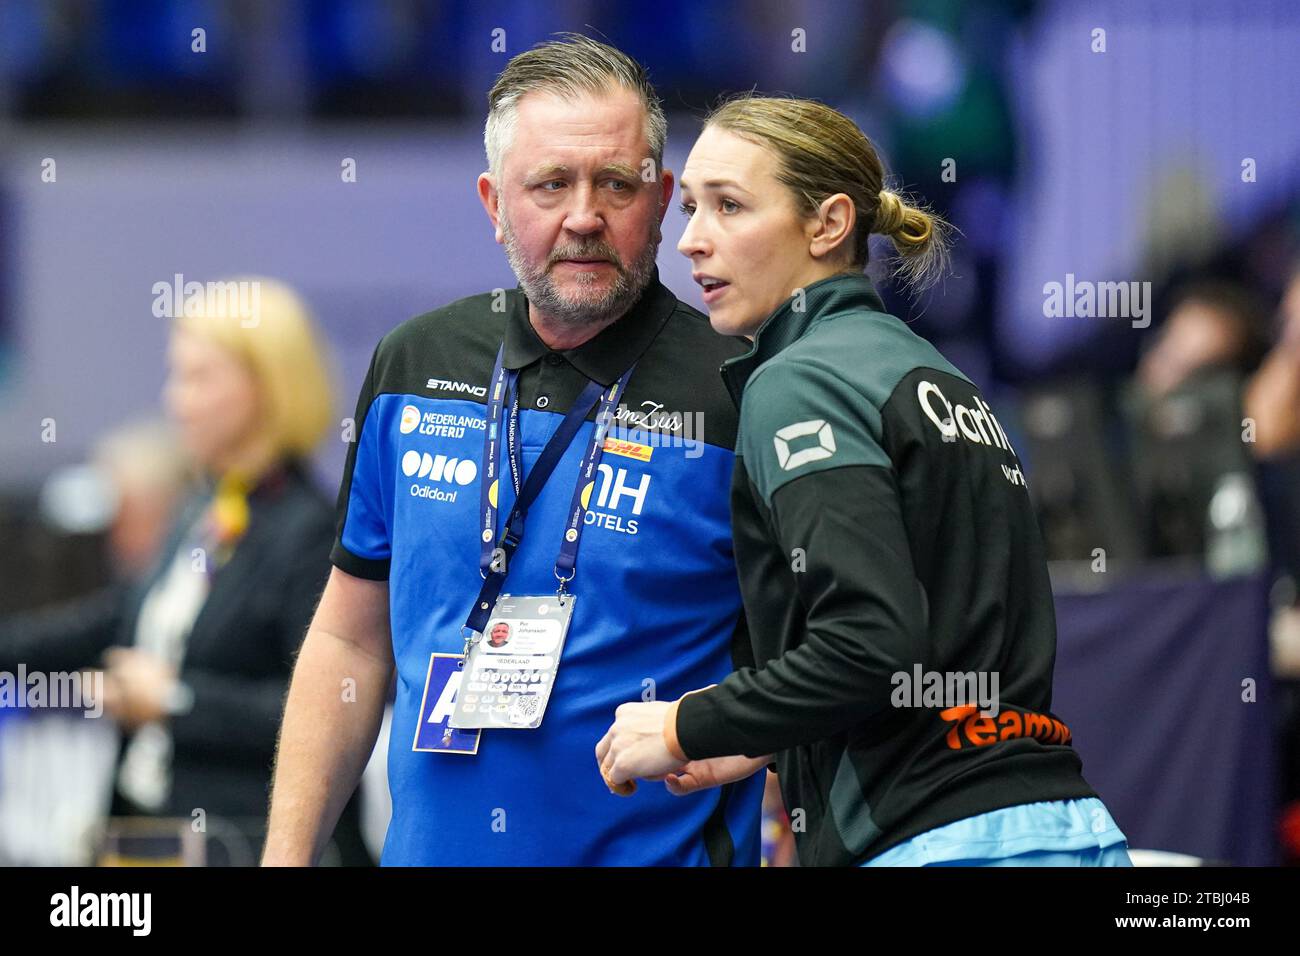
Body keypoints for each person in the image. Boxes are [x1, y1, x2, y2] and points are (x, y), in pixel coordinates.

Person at [263, 35, 764, 866]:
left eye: (615, 183)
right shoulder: (413, 365)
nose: (583, 217)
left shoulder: (743, 388)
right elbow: (350, 643)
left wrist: (760, 741)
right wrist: (287, 857)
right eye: (551, 184)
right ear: (495, 204)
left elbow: (839, 655)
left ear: (663, 196)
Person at [597, 95, 1133, 867]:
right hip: (1066, 830)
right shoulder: (940, 377)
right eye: (689, 208)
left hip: (938, 847)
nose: (691, 241)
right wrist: (764, 737)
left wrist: (688, 724)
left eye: (729, 206)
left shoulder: (801, 381)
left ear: (828, 223)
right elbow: (930, 664)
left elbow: (871, 645)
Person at [0, 277, 372, 865]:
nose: (176, 400)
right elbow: (120, 618)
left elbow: (327, 709)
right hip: (149, 835)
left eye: (199, 378)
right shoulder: (205, 509)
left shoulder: (312, 534)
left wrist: (175, 699)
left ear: (265, 387)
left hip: (244, 841)